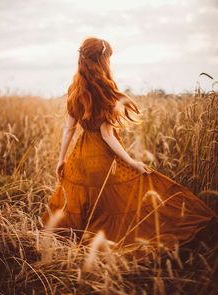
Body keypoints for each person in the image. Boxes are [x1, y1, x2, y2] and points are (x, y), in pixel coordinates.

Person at [41, 37, 217, 252]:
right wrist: (132, 162)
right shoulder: (106, 90)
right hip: (104, 160)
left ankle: (81, 247)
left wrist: (62, 159)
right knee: (118, 206)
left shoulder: (74, 89)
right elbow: (107, 135)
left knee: (87, 205)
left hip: (80, 158)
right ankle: (107, 244)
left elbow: (69, 128)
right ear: (103, 60)